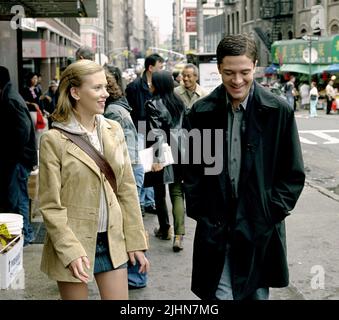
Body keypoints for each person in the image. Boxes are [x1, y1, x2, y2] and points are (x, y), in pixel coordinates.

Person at [183, 34, 305, 300]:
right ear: (219, 69)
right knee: (220, 293)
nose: (237, 81)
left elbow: (293, 174)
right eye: (229, 73)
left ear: (256, 66)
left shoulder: (278, 112)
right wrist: (203, 213)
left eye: (244, 72)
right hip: (217, 227)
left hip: (259, 227)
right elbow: (192, 172)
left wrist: (270, 211)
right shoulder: (201, 113)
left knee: (256, 294)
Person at [38, 59, 149, 300]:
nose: (105, 94)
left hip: (111, 240)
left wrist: (135, 240)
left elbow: (126, 189)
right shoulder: (53, 140)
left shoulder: (113, 129)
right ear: (75, 92)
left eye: (105, 87)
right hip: (73, 243)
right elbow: (50, 205)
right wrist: (69, 251)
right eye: (97, 88)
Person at [103, 64, 148, 289]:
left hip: (129, 170)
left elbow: (125, 153)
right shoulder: (117, 108)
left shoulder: (112, 112)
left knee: (130, 221)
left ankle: (136, 276)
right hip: (131, 168)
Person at [145, 70, 186, 251]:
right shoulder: (179, 102)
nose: (149, 84)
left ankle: (164, 229)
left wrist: (156, 158)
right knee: (177, 192)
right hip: (181, 151)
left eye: (152, 82)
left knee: (159, 192)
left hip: (162, 153)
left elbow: (156, 133)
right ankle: (178, 235)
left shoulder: (152, 104)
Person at [0, 66, 37, 246]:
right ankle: (24, 235)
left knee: (18, 199)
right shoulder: (10, 95)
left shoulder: (9, 99)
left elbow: (23, 130)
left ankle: (25, 235)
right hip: (19, 159)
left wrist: (13, 154)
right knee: (17, 199)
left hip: (18, 160)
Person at [125, 53, 165, 214]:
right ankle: (140, 202)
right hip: (140, 129)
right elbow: (131, 109)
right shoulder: (134, 86)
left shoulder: (158, 85)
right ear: (150, 67)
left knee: (152, 165)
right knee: (141, 166)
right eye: (160, 66)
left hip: (154, 129)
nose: (161, 69)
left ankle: (149, 202)